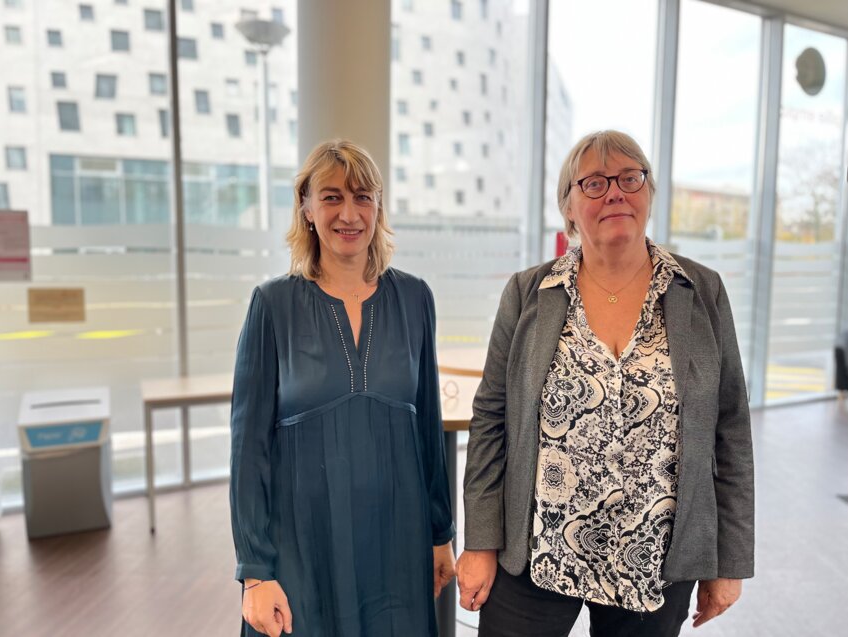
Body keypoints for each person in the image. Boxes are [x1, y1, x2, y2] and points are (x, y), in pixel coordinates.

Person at [456, 130, 754, 637]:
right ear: (568, 207)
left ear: (649, 192)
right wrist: (481, 543)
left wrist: (728, 560)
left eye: (629, 177)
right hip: (536, 551)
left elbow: (730, 429)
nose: (615, 192)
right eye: (593, 183)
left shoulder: (701, 291)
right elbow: (491, 421)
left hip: (655, 558)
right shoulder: (530, 292)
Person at [230, 139, 456, 637]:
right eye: (332, 197)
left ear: (378, 206)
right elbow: (248, 451)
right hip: (302, 547)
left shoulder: (415, 298)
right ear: (306, 208)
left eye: (363, 196)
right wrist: (254, 571)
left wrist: (442, 535)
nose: (348, 213)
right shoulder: (272, 305)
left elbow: (428, 427)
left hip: (397, 540)